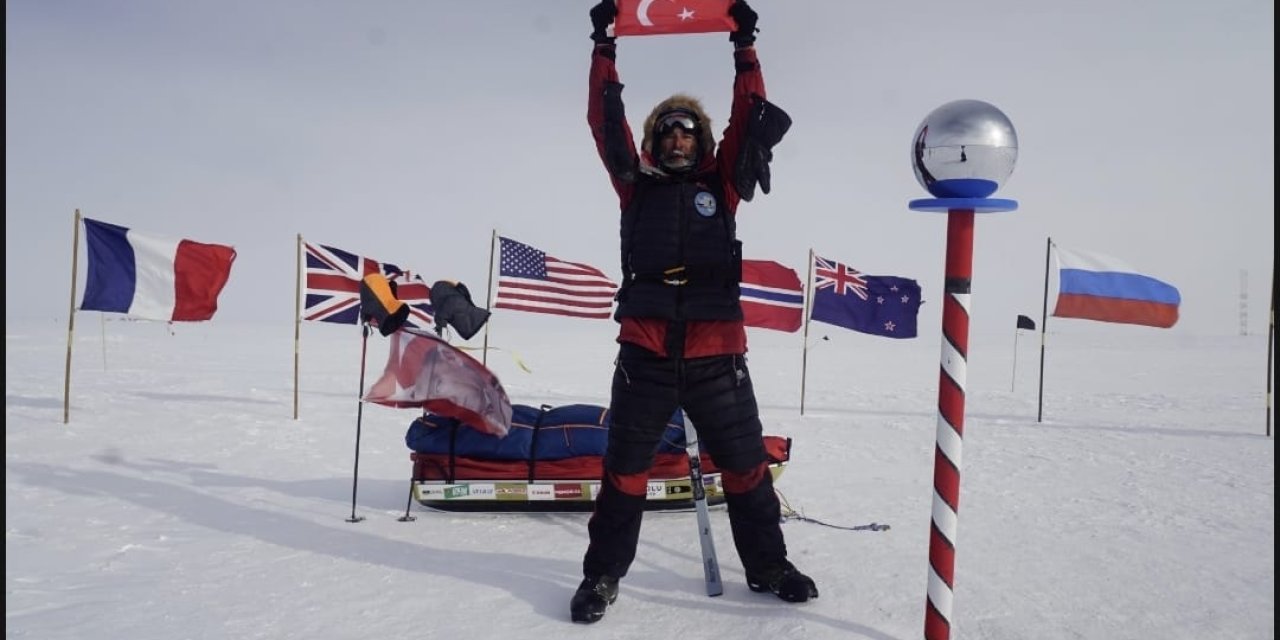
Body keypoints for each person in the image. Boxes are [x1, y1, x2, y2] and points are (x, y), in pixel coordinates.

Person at [570, 0, 815, 624]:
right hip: (645, 357)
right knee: (624, 477)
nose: (678, 138)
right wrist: (605, 47)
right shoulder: (635, 184)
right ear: (654, 141)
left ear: (702, 143)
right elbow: (606, 124)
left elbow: (746, 115)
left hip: (718, 360)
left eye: (688, 131)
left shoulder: (722, 185)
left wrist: (744, 48)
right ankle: (601, 577)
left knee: (747, 471)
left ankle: (766, 566)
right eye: (668, 131)